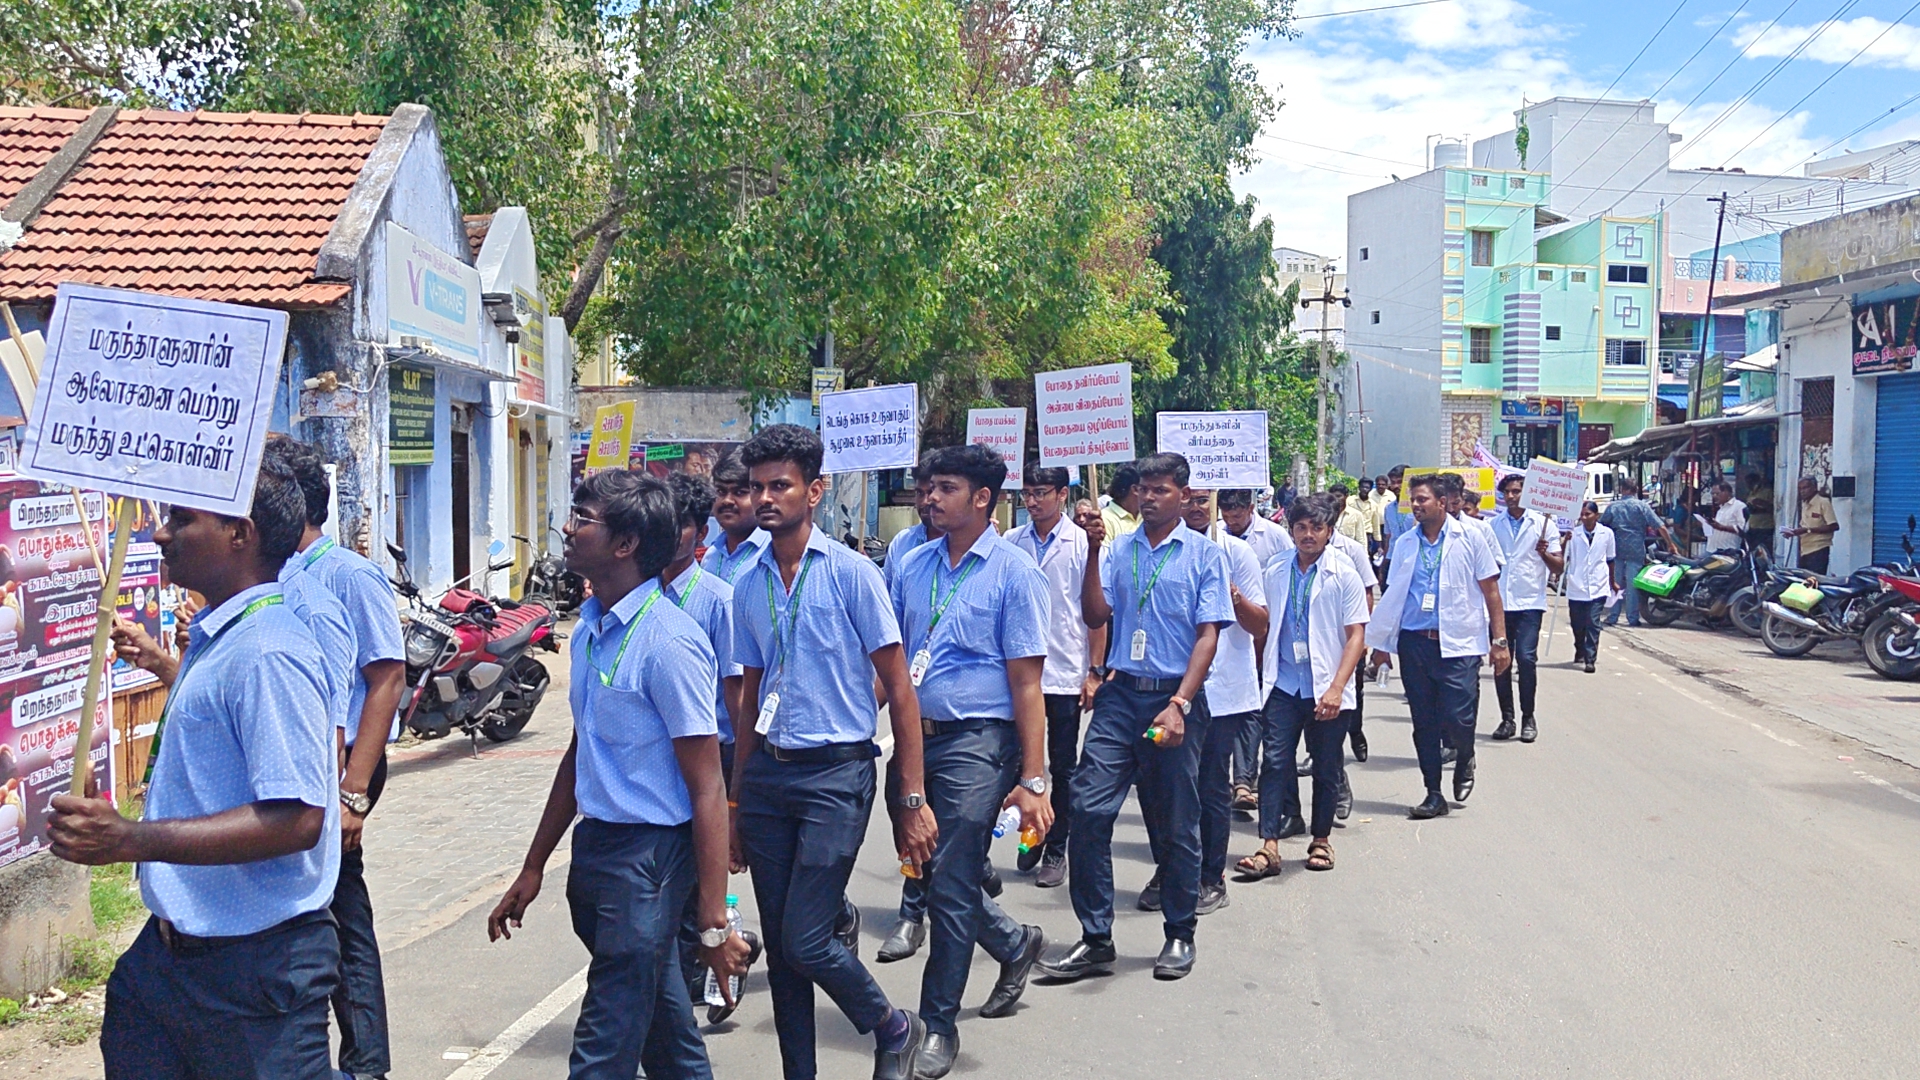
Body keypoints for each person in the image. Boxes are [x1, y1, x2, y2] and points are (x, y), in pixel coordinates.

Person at [53, 456, 341, 1079]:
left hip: (252, 974)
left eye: (181, 519)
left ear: (241, 533)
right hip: (169, 961)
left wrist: (128, 839)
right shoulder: (226, 637)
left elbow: (296, 821)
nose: (161, 534)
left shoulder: (270, 650)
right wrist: (163, 662)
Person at [487, 470, 745, 1080]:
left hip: (650, 865)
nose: (568, 528)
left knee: (602, 1048)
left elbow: (708, 786)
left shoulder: (670, 643)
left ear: (626, 543)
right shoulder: (592, 632)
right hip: (597, 852)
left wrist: (712, 916)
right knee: (665, 1034)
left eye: (583, 516)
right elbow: (582, 752)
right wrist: (533, 866)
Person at [728, 424, 937, 1080]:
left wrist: (910, 796)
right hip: (768, 778)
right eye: (756, 486)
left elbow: (900, 689)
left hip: (836, 777)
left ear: (814, 492)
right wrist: (735, 798)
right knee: (786, 957)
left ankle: (894, 1026)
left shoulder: (852, 575)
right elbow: (750, 694)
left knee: (806, 938)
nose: (765, 498)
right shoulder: (746, 582)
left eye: (779, 486)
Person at [885, 444, 1052, 1077]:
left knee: (950, 881)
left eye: (945, 487)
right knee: (926, 869)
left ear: (983, 498)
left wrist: (1033, 778)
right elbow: (893, 661)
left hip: (981, 742)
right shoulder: (911, 563)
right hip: (915, 741)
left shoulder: (1014, 572)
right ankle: (1013, 943)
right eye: (928, 487)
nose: (929, 497)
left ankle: (938, 1025)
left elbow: (1028, 683)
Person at [1036, 453, 1231, 984]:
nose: (1149, 497)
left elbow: (1208, 635)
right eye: (1143, 489)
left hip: (1173, 699)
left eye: (1161, 490)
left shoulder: (1203, 556)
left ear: (1184, 495)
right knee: (1087, 808)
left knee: (1175, 822)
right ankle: (1096, 938)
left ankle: (1179, 932)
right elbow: (1096, 614)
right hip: (1121, 698)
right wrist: (1095, 549)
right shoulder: (1119, 550)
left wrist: (1181, 704)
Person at [270, 438, 406, 1080]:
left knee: (341, 905)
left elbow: (385, 677)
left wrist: (353, 791)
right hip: (308, 759)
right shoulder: (282, 576)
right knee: (324, 901)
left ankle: (366, 1062)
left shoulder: (345, 577)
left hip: (346, 758)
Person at [663, 471, 759, 1023]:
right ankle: (727, 943)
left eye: (674, 524)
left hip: (715, 754)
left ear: (693, 533)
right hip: (665, 760)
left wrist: (736, 790)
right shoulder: (633, 596)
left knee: (709, 866)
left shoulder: (719, 601)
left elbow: (738, 698)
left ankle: (722, 947)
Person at [1233, 494, 1369, 879]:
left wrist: (1337, 688)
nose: (1308, 535)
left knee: (1326, 767)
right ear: (1291, 530)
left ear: (1329, 531)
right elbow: (1263, 625)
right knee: (1274, 763)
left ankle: (1321, 839)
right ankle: (1269, 845)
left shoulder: (1344, 574)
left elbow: (1356, 634)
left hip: (1327, 687)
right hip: (1284, 685)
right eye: (1301, 527)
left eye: (1316, 528)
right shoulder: (1275, 570)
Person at [1366, 473, 1510, 819]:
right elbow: (1393, 597)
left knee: (1458, 717)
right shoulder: (1405, 544)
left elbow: (1491, 591)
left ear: (1442, 503)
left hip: (1459, 643)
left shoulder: (1472, 537)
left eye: (1422, 500)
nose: (1415, 506)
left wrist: (1500, 641)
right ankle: (1433, 792)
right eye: (1413, 500)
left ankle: (1464, 755)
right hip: (1416, 643)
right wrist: (1381, 644)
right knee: (1424, 722)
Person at [1005, 464, 1105, 890]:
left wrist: (1094, 671)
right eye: (1027, 493)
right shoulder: (1012, 542)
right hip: (1020, 671)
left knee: (1062, 766)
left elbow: (1096, 614)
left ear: (1062, 494)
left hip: (1065, 670)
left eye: (1041, 492)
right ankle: (1031, 832)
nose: (1032, 501)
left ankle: (1056, 845)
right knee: (1020, 763)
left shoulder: (1083, 544)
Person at [1171, 491, 1267, 917]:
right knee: (1168, 788)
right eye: (1189, 499)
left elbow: (1260, 622)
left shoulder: (1237, 552)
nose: (1196, 507)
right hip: (1168, 690)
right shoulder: (1163, 550)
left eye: (1202, 500)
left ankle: (1211, 876)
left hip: (1222, 689)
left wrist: (1235, 597)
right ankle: (1174, 870)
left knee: (1210, 786)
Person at [1216, 488, 1290, 804]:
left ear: (1250, 508)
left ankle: (1249, 777)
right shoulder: (1214, 538)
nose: (1231, 521)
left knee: (1257, 707)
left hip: (1267, 627)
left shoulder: (1274, 537)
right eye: (1226, 515)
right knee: (1238, 706)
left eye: (1237, 515)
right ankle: (1240, 782)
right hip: (1234, 634)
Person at [1490, 474, 1563, 744]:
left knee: (1526, 658)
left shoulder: (1544, 525)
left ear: (1527, 493)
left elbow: (1559, 567)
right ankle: (1507, 718)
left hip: (1530, 602)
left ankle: (1528, 717)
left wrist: (1543, 552)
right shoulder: (1492, 525)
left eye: (1517, 491)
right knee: (1502, 661)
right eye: (1507, 492)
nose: (1511, 496)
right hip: (1500, 604)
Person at [1600, 478, 1675, 628]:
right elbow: (1661, 526)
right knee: (1633, 585)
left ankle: (1613, 616)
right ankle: (1632, 618)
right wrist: (1671, 545)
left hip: (1617, 549)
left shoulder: (1613, 507)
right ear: (1635, 490)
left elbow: (1601, 526)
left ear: (1623, 489)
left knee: (1616, 583)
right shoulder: (1642, 507)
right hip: (1636, 549)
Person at [701, 448, 771, 584]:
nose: (727, 500)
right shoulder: (711, 556)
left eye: (739, 492)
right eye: (720, 491)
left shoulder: (772, 554)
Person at [1564, 501, 1618, 674]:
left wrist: (1612, 581)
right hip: (1576, 585)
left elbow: (1610, 560)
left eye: (1588, 514)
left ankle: (1590, 658)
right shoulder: (1574, 534)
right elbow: (1564, 556)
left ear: (1596, 515)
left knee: (1593, 623)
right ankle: (1579, 647)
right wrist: (1565, 541)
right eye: (1582, 515)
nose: (1584, 518)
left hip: (1598, 585)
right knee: (1578, 624)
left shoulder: (1607, 534)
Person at [884, 457, 943, 588]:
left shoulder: (964, 546)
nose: (924, 502)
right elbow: (887, 597)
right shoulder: (902, 542)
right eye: (919, 493)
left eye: (931, 492)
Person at [1784, 477, 1839, 574]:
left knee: (1815, 581)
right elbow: (1806, 525)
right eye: (1800, 489)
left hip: (1818, 548)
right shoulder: (1805, 503)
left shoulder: (1823, 502)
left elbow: (1834, 526)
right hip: (1805, 549)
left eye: (1805, 488)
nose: (1802, 491)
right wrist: (1793, 532)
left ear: (1814, 488)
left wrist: (1807, 530)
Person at [1100, 462, 1143, 545]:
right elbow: (1103, 556)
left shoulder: (1147, 515)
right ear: (1135, 490)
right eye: (1145, 488)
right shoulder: (1105, 519)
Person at [1704, 481, 1748, 554]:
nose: (1714, 496)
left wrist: (1721, 527)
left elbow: (1742, 529)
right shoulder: (1721, 508)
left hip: (1728, 552)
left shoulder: (1739, 506)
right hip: (1712, 550)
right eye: (1712, 494)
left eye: (1717, 493)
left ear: (1727, 493)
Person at [1743, 470, 1775, 554]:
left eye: (1750, 482)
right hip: (1753, 526)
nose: (1748, 485)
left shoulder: (1767, 492)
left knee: (1764, 552)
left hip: (1764, 527)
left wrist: (1760, 504)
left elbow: (1774, 508)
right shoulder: (1751, 493)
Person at [1331, 483, 1371, 548]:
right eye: (1333, 497)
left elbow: (1361, 538)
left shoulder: (1356, 514)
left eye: (1339, 496)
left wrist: (1364, 555)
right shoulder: (1326, 513)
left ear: (1346, 496)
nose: (1336, 499)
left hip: (1349, 551)